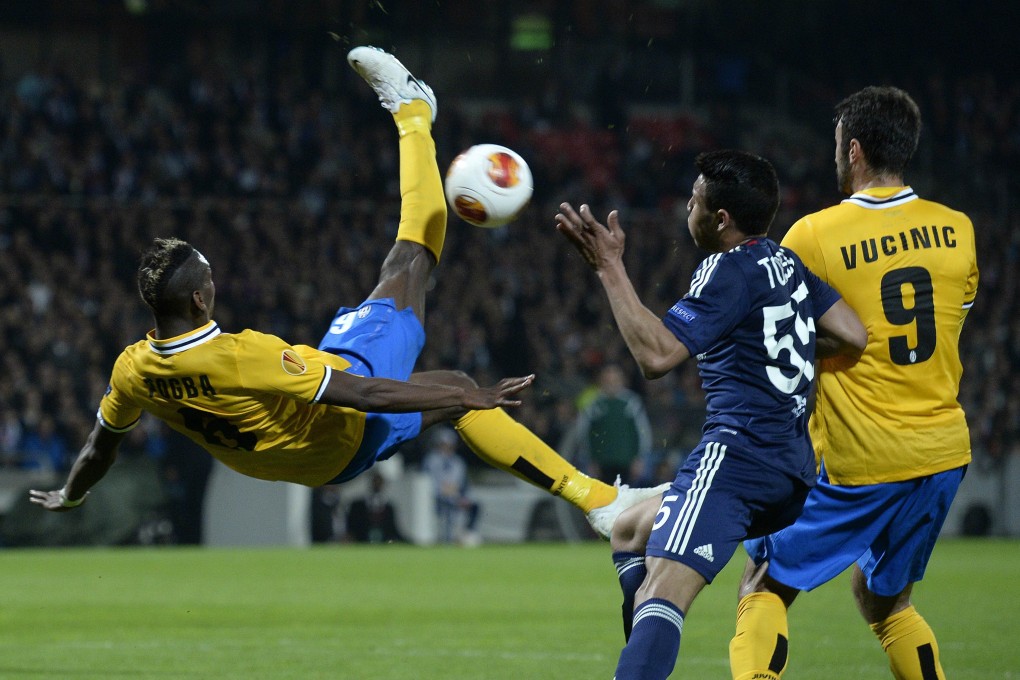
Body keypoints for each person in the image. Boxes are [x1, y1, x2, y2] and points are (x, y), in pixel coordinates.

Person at [30, 46, 665, 538]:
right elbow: (362, 392)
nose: (214, 281)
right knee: (410, 263)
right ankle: (413, 111)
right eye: (209, 275)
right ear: (199, 300)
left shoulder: (132, 370)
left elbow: (98, 446)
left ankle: (601, 504)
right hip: (338, 429)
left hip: (302, 462)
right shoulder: (244, 354)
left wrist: (74, 493)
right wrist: (467, 394)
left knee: (417, 315)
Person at [555, 149, 867, 679]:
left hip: (737, 459)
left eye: (695, 202)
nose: (687, 210)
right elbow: (852, 334)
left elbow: (656, 357)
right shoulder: (785, 262)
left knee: (663, 592)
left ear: (721, 219)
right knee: (629, 530)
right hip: (792, 466)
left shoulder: (727, 269)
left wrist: (610, 268)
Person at [729, 86, 979, 680]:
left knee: (763, 582)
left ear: (856, 150)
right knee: (885, 600)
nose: (833, 155)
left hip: (858, 458)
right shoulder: (959, 229)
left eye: (837, 144)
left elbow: (783, 347)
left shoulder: (813, 236)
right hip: (941, 452)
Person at [570, 363, 654, 486]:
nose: (612, 383)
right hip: (601, 464)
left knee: (626, 500)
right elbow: (583, 433)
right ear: (601, 380)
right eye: (608, 379)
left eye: (615, 379)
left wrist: (640, 458)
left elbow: (643, 431)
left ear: (622, 380)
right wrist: (590, 460)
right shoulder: (593, 404)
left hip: (627, 462)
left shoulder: (631, 402)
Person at [421, 426, 481, 545]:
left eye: (449, 445)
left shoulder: (458, 462)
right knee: (447, 508)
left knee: (475, 506)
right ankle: (446, 540)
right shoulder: (431, 460)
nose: (446, 448)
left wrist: (463, 498)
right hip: (437, 497)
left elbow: (464, 484)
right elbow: (427, 484)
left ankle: (468, 533)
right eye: (443, 444)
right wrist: (447, 493)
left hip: (455, 497)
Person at [345, 471, 405, 544]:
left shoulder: (389, 507)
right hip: (361, 544)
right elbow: (350, 527)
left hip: (383, 545)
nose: (377, 484)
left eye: (380, 482)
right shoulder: (357, 505)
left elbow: (393, 529)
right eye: (375, 481)